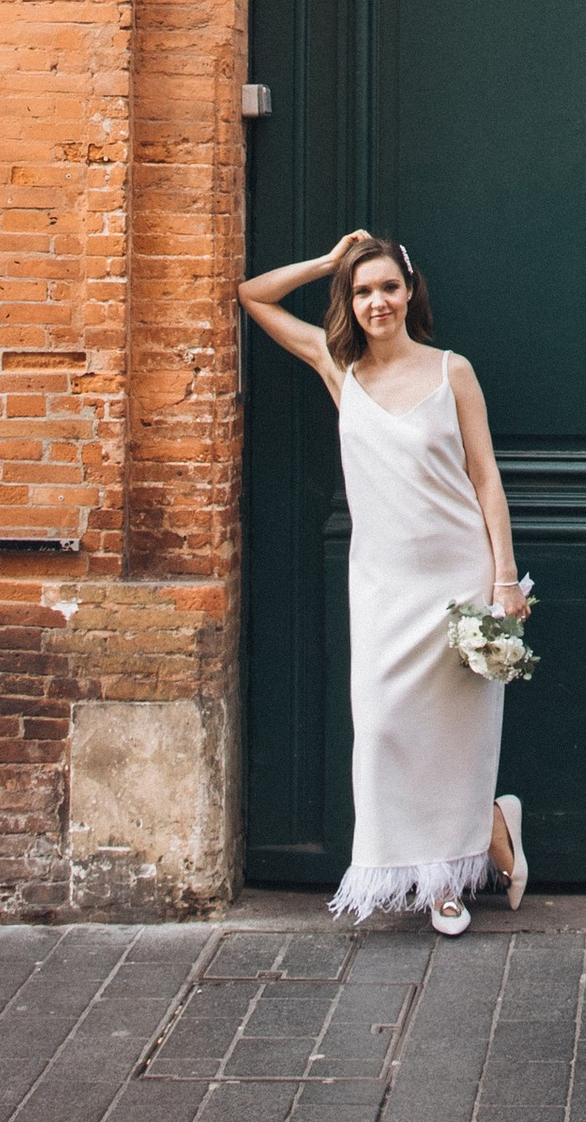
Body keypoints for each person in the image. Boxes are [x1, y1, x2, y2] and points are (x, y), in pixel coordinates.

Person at [239, 229, 529, 931]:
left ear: (410, 291)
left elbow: (486, 478)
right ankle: (491, 825)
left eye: (388, 287)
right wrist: (327, 261)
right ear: (350, 298)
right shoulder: (340, 369)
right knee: (382, 730)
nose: (377, 301)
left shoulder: (450, 370)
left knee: (451, 738)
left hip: (457, 578)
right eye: (362, 290)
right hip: (381, 587)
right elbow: (252, 296)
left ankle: (444, 881)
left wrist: (505, 580)